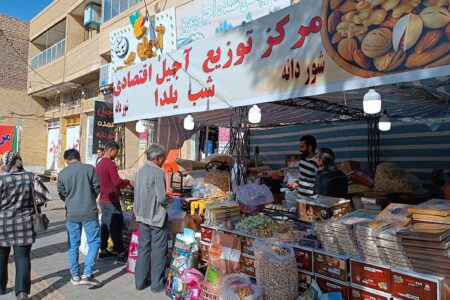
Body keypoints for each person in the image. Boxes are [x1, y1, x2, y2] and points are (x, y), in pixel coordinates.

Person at [0, 152, 51, 300]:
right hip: (25, 224)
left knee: (1, 256)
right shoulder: (31, 177)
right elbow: (44, 197)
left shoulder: (1, 179)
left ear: (6, 162)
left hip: (2, 224)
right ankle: (22, 292)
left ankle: (1, 288)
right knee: (22, 257)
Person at [57, 149, 101, 286]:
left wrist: (70, 201)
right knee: (93, 242)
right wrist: (90, 198)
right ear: (79, 156)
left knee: (73, 245)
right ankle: (87, 274)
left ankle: (75, 276)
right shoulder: (89, 169)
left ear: (66, 160)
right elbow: (97, 188)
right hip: (90, 212)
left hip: (72, 214)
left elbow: (61, 193)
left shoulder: (63, 173)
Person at [134, 144, 173, 293]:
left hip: (142, 217)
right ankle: (156, 285)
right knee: (158, 251)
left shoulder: (141, 170)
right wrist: (172, 200)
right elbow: (162, 197)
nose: (163, 160)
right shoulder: (157, 171)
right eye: (162, 157)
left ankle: (140, 282)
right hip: (156, 219)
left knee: (143, 249)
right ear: (157, 158)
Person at [96, 141, 131, 262]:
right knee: (115, 227)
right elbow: (117, 182)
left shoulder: (99, 164)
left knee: (105, 225)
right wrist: (126, 181)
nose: (116, 154)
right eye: (116, 152)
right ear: (111, 150)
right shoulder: (110, 164)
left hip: (103, 199)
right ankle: (121, 252)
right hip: (112, 200)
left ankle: (103, 250)